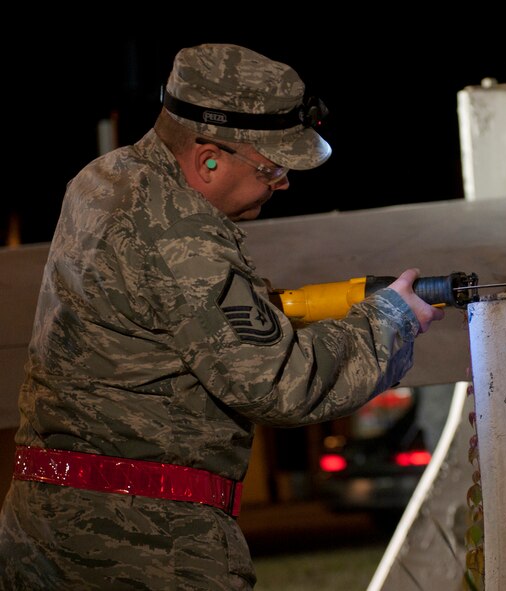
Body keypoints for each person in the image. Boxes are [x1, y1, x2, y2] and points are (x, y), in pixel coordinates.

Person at [0, 43, 445, 589]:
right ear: (208, 157)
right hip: (143, 542)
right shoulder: (181, 232)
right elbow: (280, 384)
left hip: (46, 527)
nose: (282, 182)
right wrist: (391, 320)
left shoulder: (104, 180)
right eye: (273, 166)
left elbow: (169, 321)